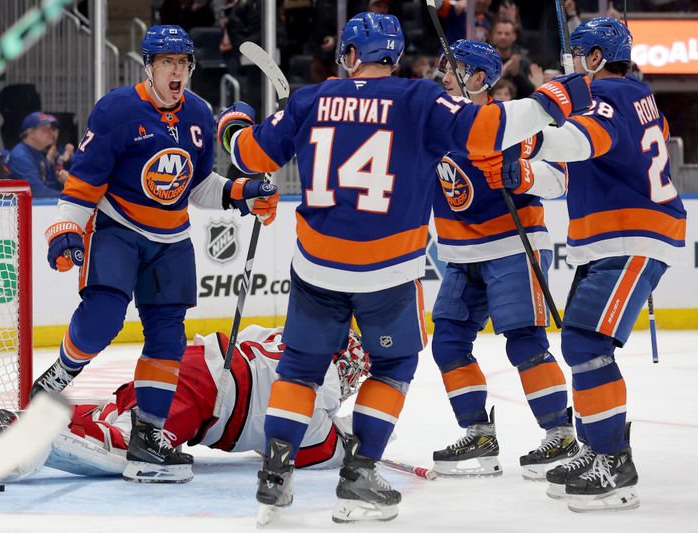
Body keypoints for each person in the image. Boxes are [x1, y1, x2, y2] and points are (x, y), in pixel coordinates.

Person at [216, 11, 591, 525]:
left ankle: (275, 474)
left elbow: (250, 155)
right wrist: (555, 97)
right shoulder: (420, 99)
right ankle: (360, 473)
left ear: (350, 55)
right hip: (390, 268)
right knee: (393, 366)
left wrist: (233, 124)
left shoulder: (312, 98)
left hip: (318, 263)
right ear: (394, 57)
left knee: (299, 369)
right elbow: (490, 129)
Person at [29, 25, 279, 485]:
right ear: (149, 67)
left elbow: (199, 186)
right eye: (167, 62)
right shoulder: (118, 110)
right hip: (117, 229)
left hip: (171, 240)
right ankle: (50, 385)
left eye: (183, 63)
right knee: (103, 317)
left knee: (168, 339)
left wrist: (243, 191)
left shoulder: (200, 115)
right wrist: (64, 227)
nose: (176, 71)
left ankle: (150, 434)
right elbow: (84, 182)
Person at [495, 17, 686, 512]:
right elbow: (566, 176)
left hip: (632, 234)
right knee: (583, 343)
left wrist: (525, 136)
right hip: (616, 237)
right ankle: (596, 446)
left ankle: (613, 462)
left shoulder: (609, 95)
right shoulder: (632, 96)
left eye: (576, 55)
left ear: (596, 57)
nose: (570, 65)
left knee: (586, 342)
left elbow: (581, 143)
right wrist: (522, 171)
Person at [428, 39, 575, 481]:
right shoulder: (433, 125)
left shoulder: (512, 124)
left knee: (524, 341)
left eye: (453, 70)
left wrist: (525, 173)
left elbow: (560, 182)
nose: (444, 77)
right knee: (448, 341)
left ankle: (560, 433)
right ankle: (478, 431)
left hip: (515, 246)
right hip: (460, 253)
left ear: (479, 79)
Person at [0, 326, 371, 479]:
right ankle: (19, 430)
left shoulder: (283, 335)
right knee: (130, 448)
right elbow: (327, 452)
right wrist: (355, 437)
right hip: (202, 397)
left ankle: (34, 416)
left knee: (123, 415)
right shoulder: (318, 401)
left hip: (184, 366)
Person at [7, 112, 65, 196]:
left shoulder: (38, 153)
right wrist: (71, 198)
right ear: (31, 133)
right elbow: (37, 191)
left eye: (51, 129)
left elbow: (50, 185)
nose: (51, 132)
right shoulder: (20, 156)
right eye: (45, 129)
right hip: (18, 207)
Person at [489, 19, 535, 98]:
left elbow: (531, 91)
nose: (503, 37)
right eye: (499, 33)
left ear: (514, 36)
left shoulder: (522, 61)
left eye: (507, 34)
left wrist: (517, 74)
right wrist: (500, 75)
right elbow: (478, 89)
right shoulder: (485, 59)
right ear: (493, 35)